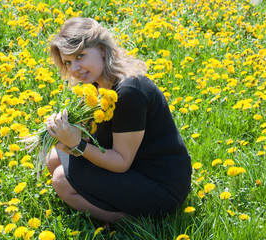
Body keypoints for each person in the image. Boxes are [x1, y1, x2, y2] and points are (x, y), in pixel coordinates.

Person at [45, 17, 192, 223]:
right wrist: (65, 132)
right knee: (53, 157)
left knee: (61, 181)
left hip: (161, 187)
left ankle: (130, 220)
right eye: (68, 62)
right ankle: (109, 199)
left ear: (102, 49)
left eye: (80, 56)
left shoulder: (129, 92)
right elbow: (98, 140)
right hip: (134, 170)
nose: (75, 68)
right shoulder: (97, 85)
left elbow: (121, 162)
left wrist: (76, 144)